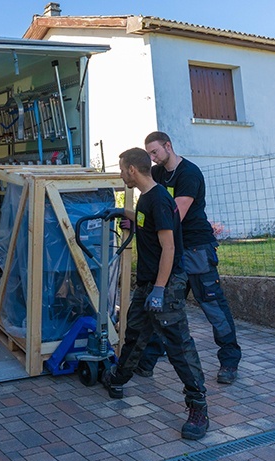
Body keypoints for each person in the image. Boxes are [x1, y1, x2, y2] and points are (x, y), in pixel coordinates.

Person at [101, 147, 209, 440]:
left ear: (132, 171)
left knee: (177, 345)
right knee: (135, 333)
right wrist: (122, 212)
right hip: (149, 283)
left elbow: (170, 247)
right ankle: (117, 378)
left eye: (122, 169)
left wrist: (160, 290)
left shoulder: (159, 200)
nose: (122, 174)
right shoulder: (151, 198)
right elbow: (146, 221)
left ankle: (198, 407)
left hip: (166, 284)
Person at [136, 131, 242, 385]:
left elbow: (174, 216)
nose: (151, 158)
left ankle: (229, 360)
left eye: (155, 152)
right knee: (164, 306)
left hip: (196, 250)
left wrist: (149, 227)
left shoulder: (189, 174)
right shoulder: (159, 174)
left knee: (213, 307)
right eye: (148, 154)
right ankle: (147, 360)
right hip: (173, 249)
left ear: (168, 146)